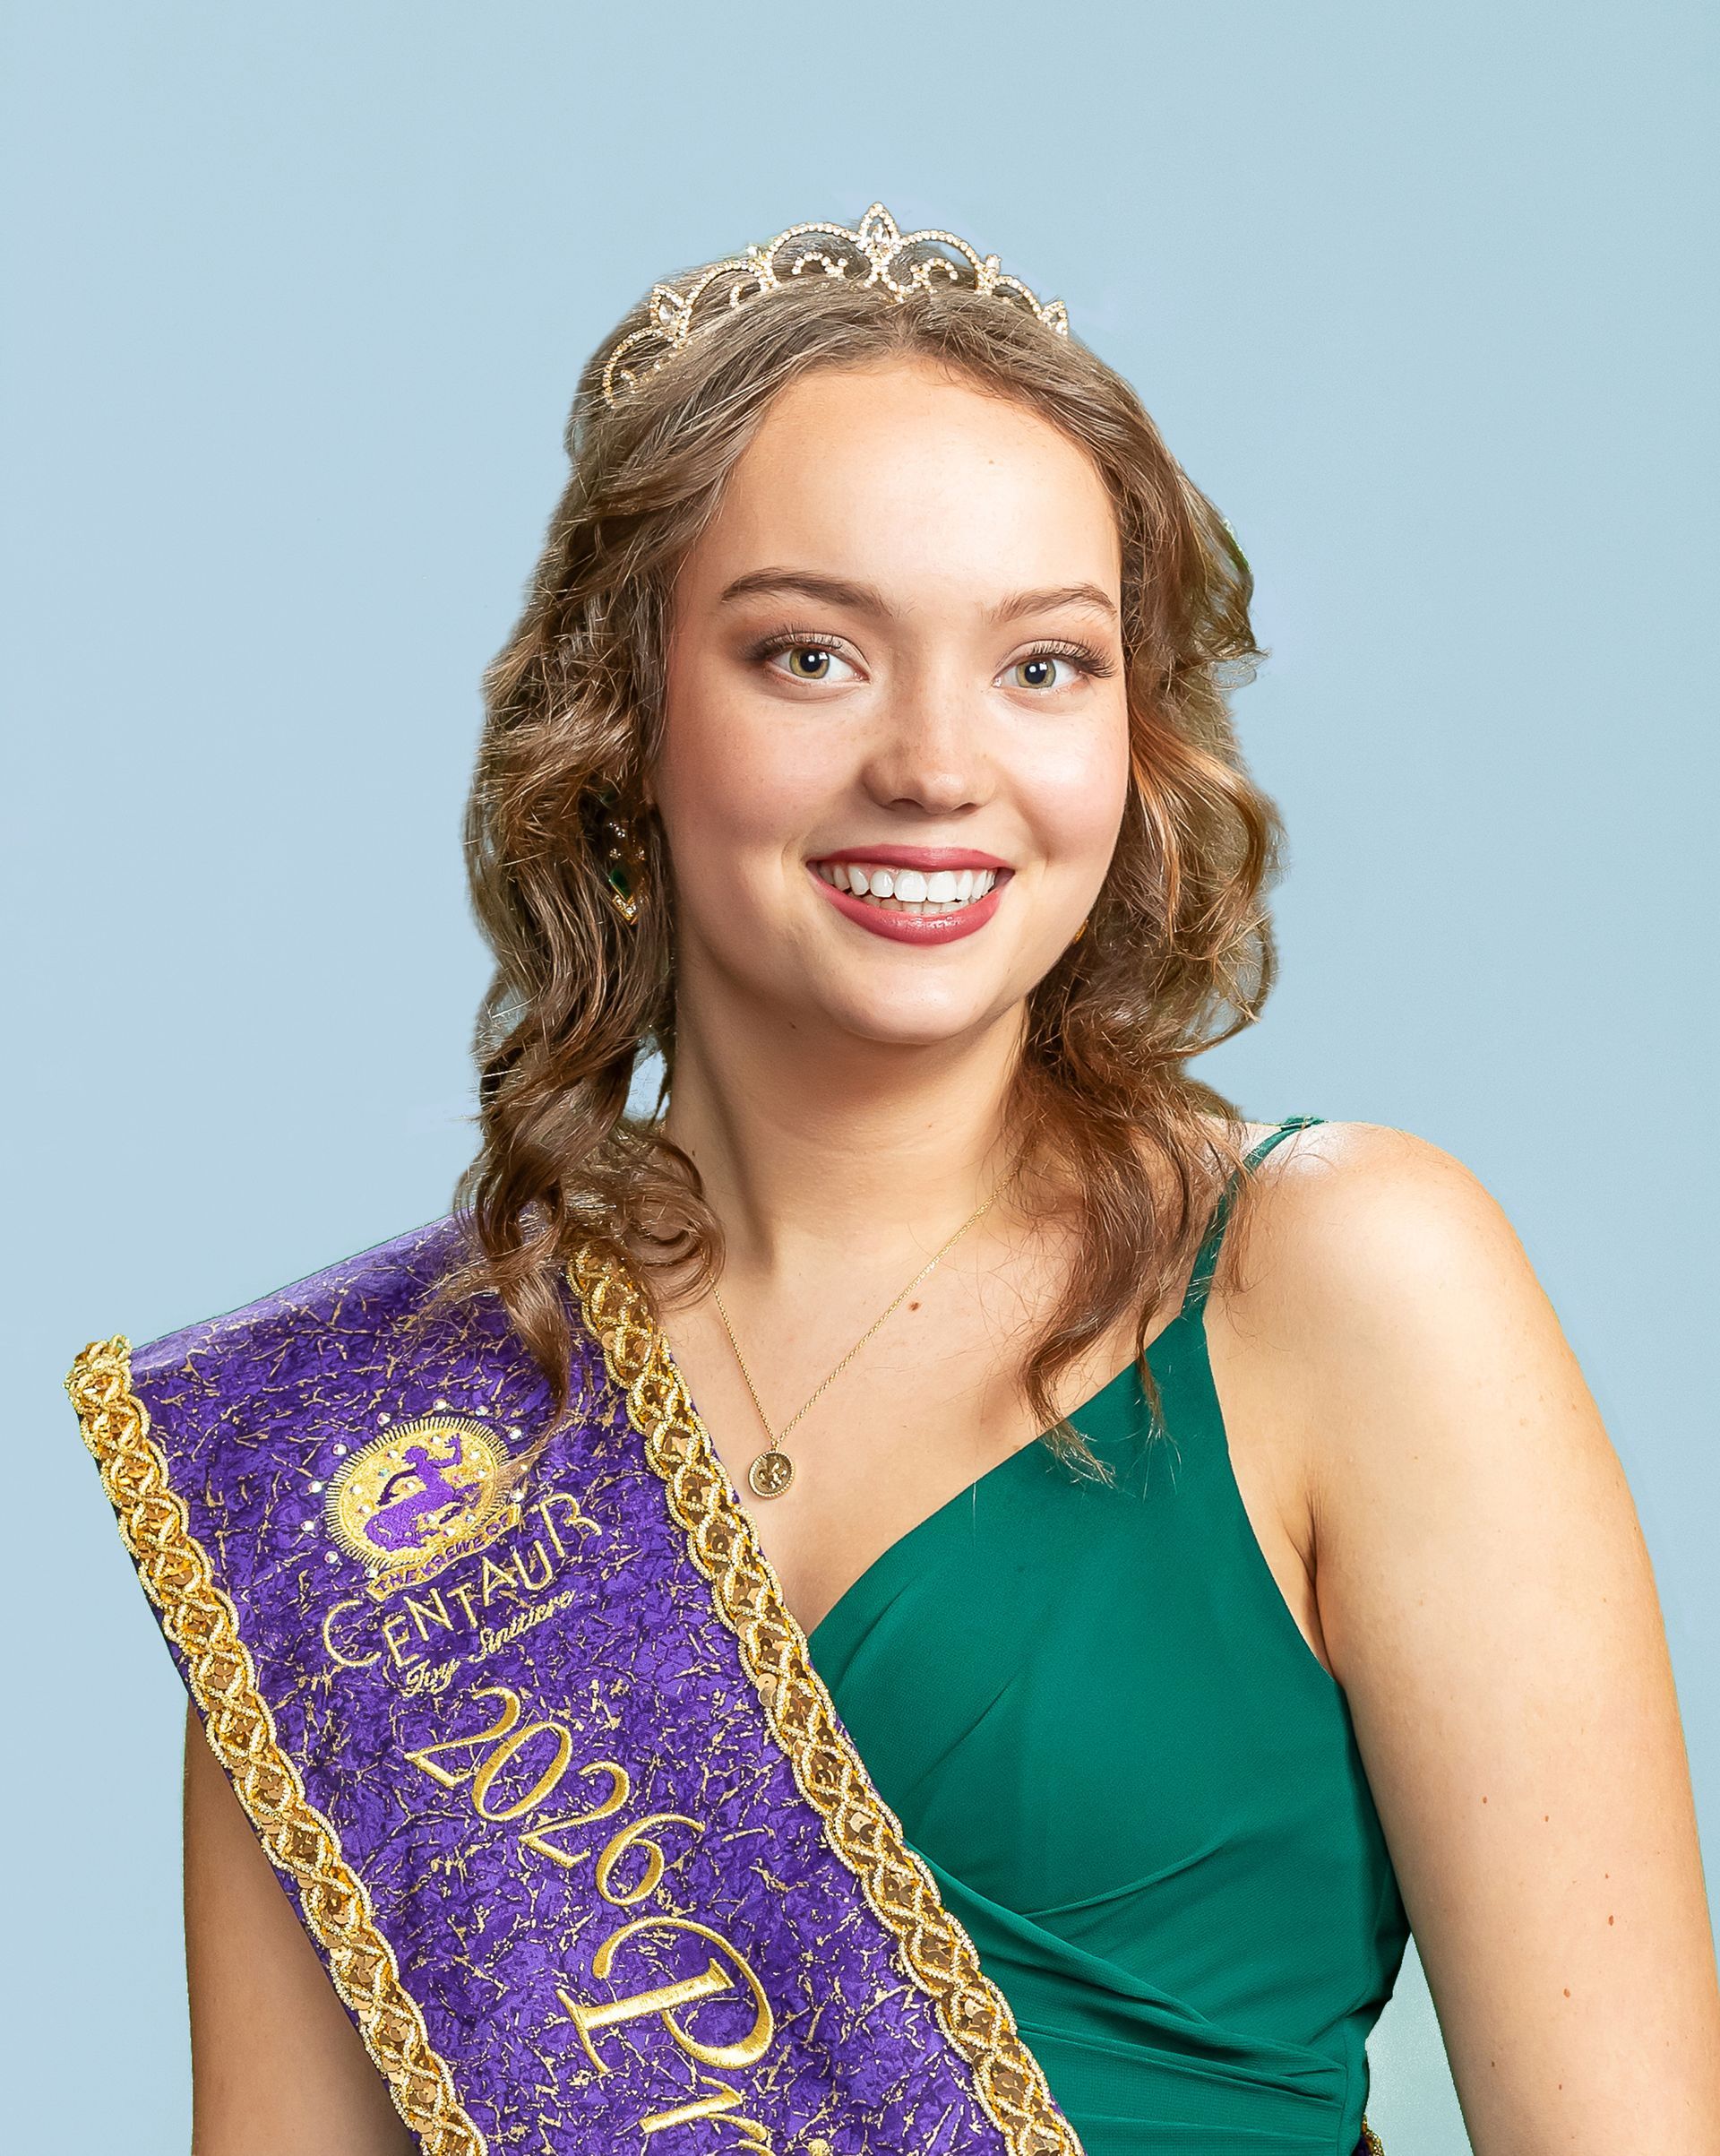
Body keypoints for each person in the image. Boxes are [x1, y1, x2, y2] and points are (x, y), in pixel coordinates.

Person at [68, 204, 1720, 2156]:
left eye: (1044, 664)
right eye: (813, 654)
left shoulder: (1345, 1278)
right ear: (624, 719)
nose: (939, 765)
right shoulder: (342, 1472)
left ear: (1135, 734)